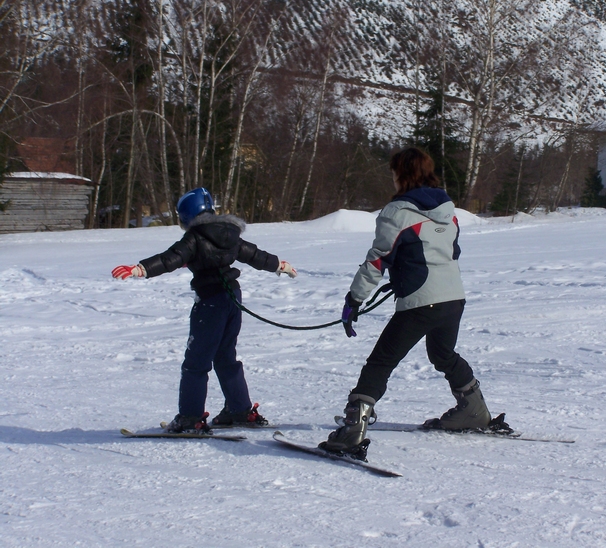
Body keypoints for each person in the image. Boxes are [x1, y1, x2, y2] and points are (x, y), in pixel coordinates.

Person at [320, 147, 492, 456]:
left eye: (394, 173)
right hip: (453, 297)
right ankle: (474, 408)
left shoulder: (397, 211)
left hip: (421, 301)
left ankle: (352, 428)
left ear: (402, 174)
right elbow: (448, 252)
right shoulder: (448, 210)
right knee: (443, 354)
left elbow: (378, 261)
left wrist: (354, 299)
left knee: (381, 361)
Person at [111, 188, 297, 433]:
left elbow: (171, 258)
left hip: (210, 302)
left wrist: (141, 269)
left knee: (196, 362)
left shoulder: (195, 237)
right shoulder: (229, 233)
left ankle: (190, 418)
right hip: (233, 299)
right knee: (225, 356)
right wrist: (278, 265)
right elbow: (254, 254)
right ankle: (239, 410)